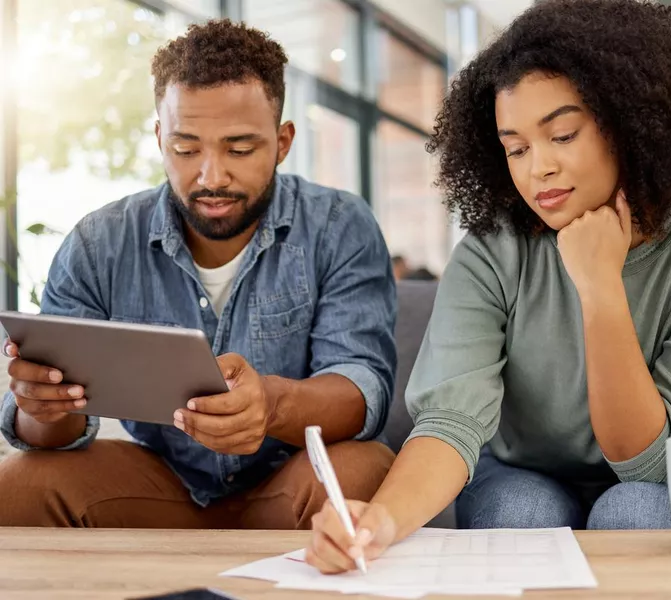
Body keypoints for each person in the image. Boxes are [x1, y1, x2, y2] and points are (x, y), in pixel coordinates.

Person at [306, 0, 671, 573]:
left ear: (631, 123)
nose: (537, 168)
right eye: (516, 148)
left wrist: (600, 289)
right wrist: (381, 521)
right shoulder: (491, 249)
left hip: (651, 481)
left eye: (563, 135)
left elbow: (653, 467)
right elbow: (451, 421)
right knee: (518, 509)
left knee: (636, 511)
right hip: (519, 474)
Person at [0, 19, 397, 529]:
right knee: (19, 487)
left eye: (239, 148)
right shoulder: (99, 243)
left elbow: (363, 388)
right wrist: (43, 409)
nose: (211, 176)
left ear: (282, 141)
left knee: (367, 470)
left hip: (290, 482)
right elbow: (51, 433)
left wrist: (271, 406)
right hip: (160, 486)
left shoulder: (339, 226)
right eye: (187, 149)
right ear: (161, 138)